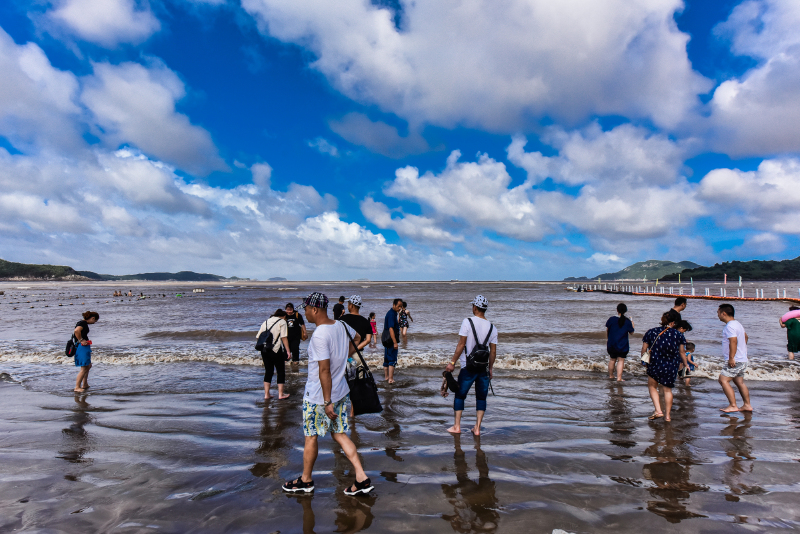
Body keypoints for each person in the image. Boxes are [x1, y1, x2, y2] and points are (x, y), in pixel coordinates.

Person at [282, 292, 373, 495]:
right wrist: (343, 356)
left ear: (315, 309)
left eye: (306, 309)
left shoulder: (320, 335)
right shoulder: (341, 325)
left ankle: (306, 481)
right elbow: (358, 338)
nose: (305, 313)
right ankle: (361, 477)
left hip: (319, 397)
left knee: (311, 436)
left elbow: (324, 370)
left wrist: (327, 401)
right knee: (339, 433)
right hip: (340, 391)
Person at [444, 296, 497, 436]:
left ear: (475, 307)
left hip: (468, 367)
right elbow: (493, 352)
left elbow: (461, 344)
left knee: (460, 395)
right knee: (481, 398)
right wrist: (490, 369)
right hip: (483, 368)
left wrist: (452, 362)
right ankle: (477, 428)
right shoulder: (493, 328)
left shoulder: (467, 322)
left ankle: (457, 426)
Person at [641, 310, 689, 422]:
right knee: (668, 390)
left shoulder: (651, 332)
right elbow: (682, 352)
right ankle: (667, 416)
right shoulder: (678, 334)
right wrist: (685, 364)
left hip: (655, 363)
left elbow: (644, 348)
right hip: (671, 365)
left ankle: (658, 410)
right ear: (673, 322)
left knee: (652, 386)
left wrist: (644, 361)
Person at [340, 295, 373, 418]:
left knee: (342, 382)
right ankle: (352, 412)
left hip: (344, 354)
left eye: (348, 304)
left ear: (351, 305)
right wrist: (356, 348)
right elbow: (368, 340)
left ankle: (340, 410)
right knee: (356, 384)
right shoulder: (365, 321)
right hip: (358, 355)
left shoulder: (342, 319)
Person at [717, 304, 753, 413]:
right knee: (739, 382)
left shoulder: (730, 326)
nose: (717, 315)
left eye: (718, 313)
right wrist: (742, 351)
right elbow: (745, 337)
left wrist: (732, 357)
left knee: (723, 380)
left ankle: (733, 405)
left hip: (735, 359)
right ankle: (747, 405)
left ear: (723, 313)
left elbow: (733, 341)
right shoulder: (737, 324)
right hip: (742, 359)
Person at [256, 309, 291, 400]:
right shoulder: (282, 322)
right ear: (284, 316)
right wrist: (288, 351)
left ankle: (266, 394)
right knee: (280, 371)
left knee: (268, 371)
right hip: (276, 349)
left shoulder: (266, 322)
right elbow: (284, 337)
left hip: (264, 350)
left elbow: (258, 336)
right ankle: (281, 394)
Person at [605, 303, 634, 382]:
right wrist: (632, 323)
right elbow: (631, 332)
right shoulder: (627, 321)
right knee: (621, 360)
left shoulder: (611, 319)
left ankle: (611, 376)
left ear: (617, 310)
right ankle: (619, 378)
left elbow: (607, 330)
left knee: (612, 359)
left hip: (612, 344)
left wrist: (609, 339)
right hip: (622, 344)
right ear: (625, 311)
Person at [73, 311, 99, 393]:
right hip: (82, 347)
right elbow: (76, 331)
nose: (94, 323)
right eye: (95, 321)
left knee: (88, 365)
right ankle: (77, 387)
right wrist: (81, 340)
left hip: (83, 346)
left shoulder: (82, 323)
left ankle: (85, 384)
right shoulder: (83, 323)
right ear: (93, 318)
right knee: (84, 368)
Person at [383, 299, 403, 383]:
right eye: (398, 306)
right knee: (392, 359)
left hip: (386, 340)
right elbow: (391, 329)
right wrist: (395, 342)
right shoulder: (391, 314)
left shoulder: (391, 313)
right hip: (390, 340)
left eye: (401, 306)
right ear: (394, 305)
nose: (400, 308)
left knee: (386, 359)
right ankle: (390, 379)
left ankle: (387, 377)